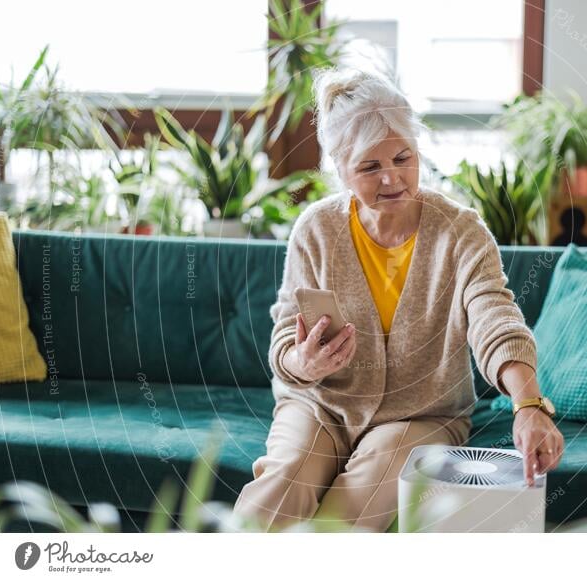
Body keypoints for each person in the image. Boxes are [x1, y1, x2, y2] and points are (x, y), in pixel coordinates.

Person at [233, 66, 564, 532]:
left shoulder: (461, 231)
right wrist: (303, 364)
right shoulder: (316, 229)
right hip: (319, 404)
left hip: (421, 414)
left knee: (355, 505)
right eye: (370, 166)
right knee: (278, 491)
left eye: (403, 159)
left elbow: (496, 317)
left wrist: (528, 405)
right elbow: (286, 335)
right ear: (342, 170)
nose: (392, 179)